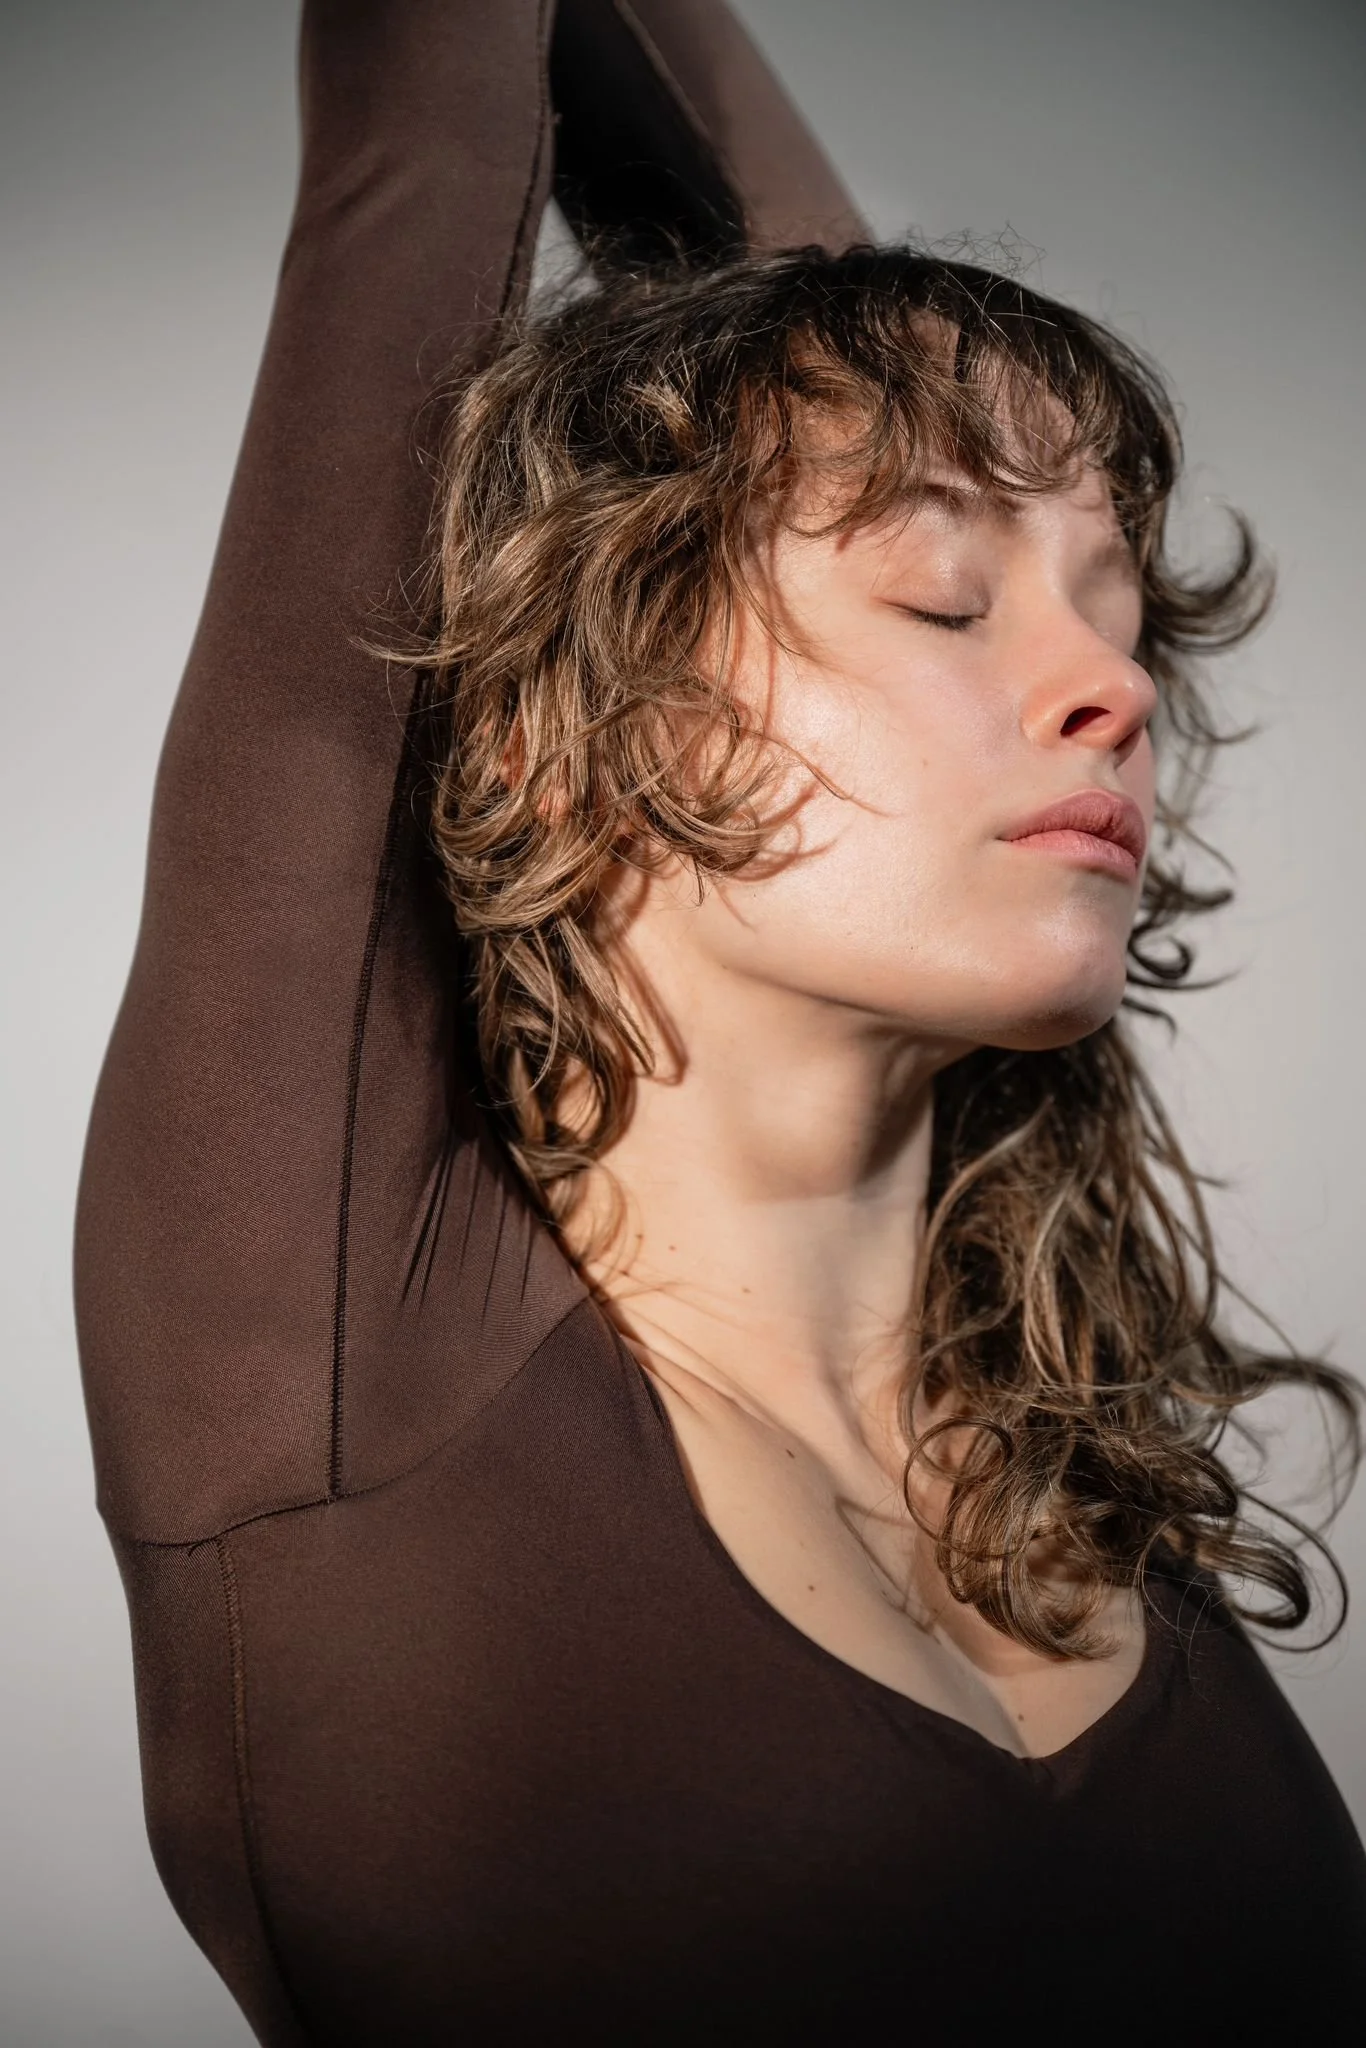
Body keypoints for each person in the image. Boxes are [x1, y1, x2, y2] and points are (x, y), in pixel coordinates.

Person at [75, 2, 1366, 2041]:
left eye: (1113, 608)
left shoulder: (1053, 1444)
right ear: (579, 730)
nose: (1105, 688)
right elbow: (421, 154)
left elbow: (831, 357)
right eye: (945, 599)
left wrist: (897, 454)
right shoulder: (334, 1368)